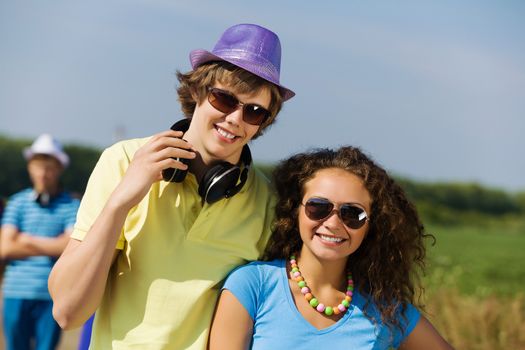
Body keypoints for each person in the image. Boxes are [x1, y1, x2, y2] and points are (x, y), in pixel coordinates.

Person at [48, 23, 295, 349]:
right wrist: (122, 199)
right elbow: (68, 313)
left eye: (253, 111)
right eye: (223, 98)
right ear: (197, 91)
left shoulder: (267, 201)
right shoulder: (123, 160)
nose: (235, 118)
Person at [209, 146, 454, 349]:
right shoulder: (252, 285)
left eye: (352, 214)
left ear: (371, 226)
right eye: (318, 207)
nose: (333, 223)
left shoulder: (385, 309)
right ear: (297, 210)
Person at [0, 134, 80, 350]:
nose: (43, 174)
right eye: (38, 167)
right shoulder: (17, 202)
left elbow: (70, 246)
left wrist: (26, 240)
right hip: (16, 292)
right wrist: (53, 244)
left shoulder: (71, 205)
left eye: (49, 168)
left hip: (52, 294)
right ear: (30, 168)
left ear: (59, 169)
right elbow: (5, 247)